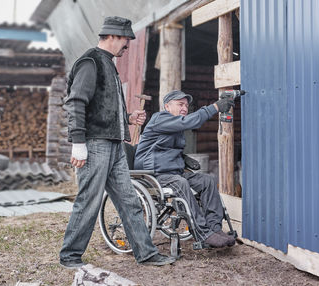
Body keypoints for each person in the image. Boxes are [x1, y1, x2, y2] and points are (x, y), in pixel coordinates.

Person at [59, 16, 175, 269]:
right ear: (112, 36)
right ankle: (70, 256)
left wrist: (128, 118)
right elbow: (76, 103)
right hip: (96, 145)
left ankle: (145, 253)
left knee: (129, 201)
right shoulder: (90, 62)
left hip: (114, 146)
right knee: (89, 201)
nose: (128, 45)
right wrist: (78, 143)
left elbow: (102, 109)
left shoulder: (108, 65)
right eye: (125, 39)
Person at [134, 90, 236, 248]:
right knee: (180, 183)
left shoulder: (174, 126)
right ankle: (203, 233)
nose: (184, 108)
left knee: (207, 180)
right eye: (180, 104)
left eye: (186, 106)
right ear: (167, 106)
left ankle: (214, 228)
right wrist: (215, 107)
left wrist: (183, 157)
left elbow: (165, 148)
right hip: (153, 174)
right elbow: (188, 122)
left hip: (172, 173)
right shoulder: (160, 118)